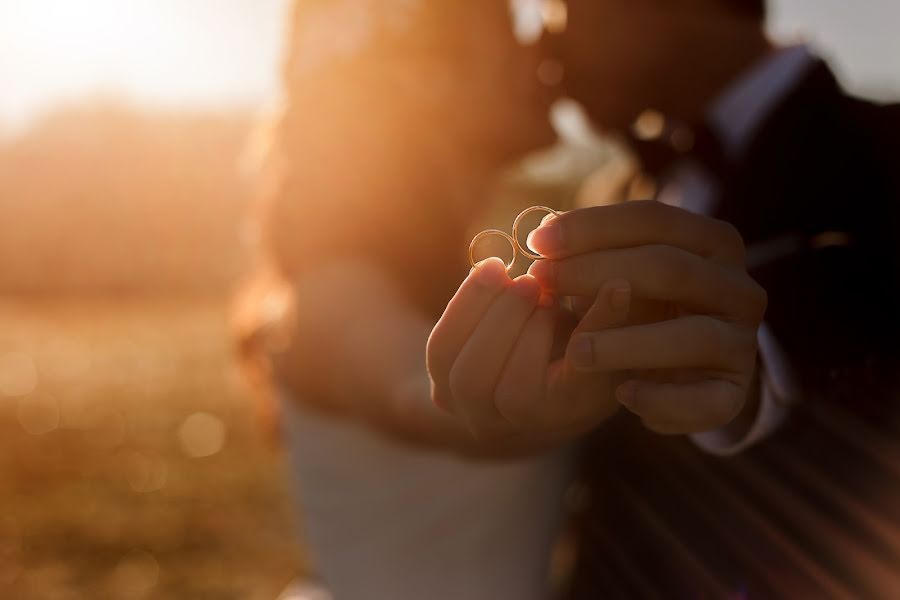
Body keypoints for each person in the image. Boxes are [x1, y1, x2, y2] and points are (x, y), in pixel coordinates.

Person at [428, 0, 900, 595]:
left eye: (557, 9)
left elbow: (862, 307)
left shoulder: (886, 152)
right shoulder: (623, 187)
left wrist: (745, 360)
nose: (542, 46)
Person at [237, 2, 580, 598]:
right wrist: (594, 371)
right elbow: (416, 390)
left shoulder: (445, 274)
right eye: (504, 33)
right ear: (421, 78)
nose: (538, 50)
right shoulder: (333, 294)